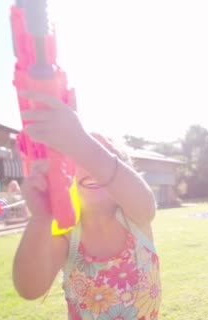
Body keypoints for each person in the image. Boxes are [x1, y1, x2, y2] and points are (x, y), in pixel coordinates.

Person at [12, 91, 161, 320]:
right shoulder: (67, 236)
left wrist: (78, 141)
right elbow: (29, 289)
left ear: (126, 173)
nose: (91, 167)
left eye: (103, 158)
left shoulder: (136, 218)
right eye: (78, 161)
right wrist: (40, 218)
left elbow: (143, 199)